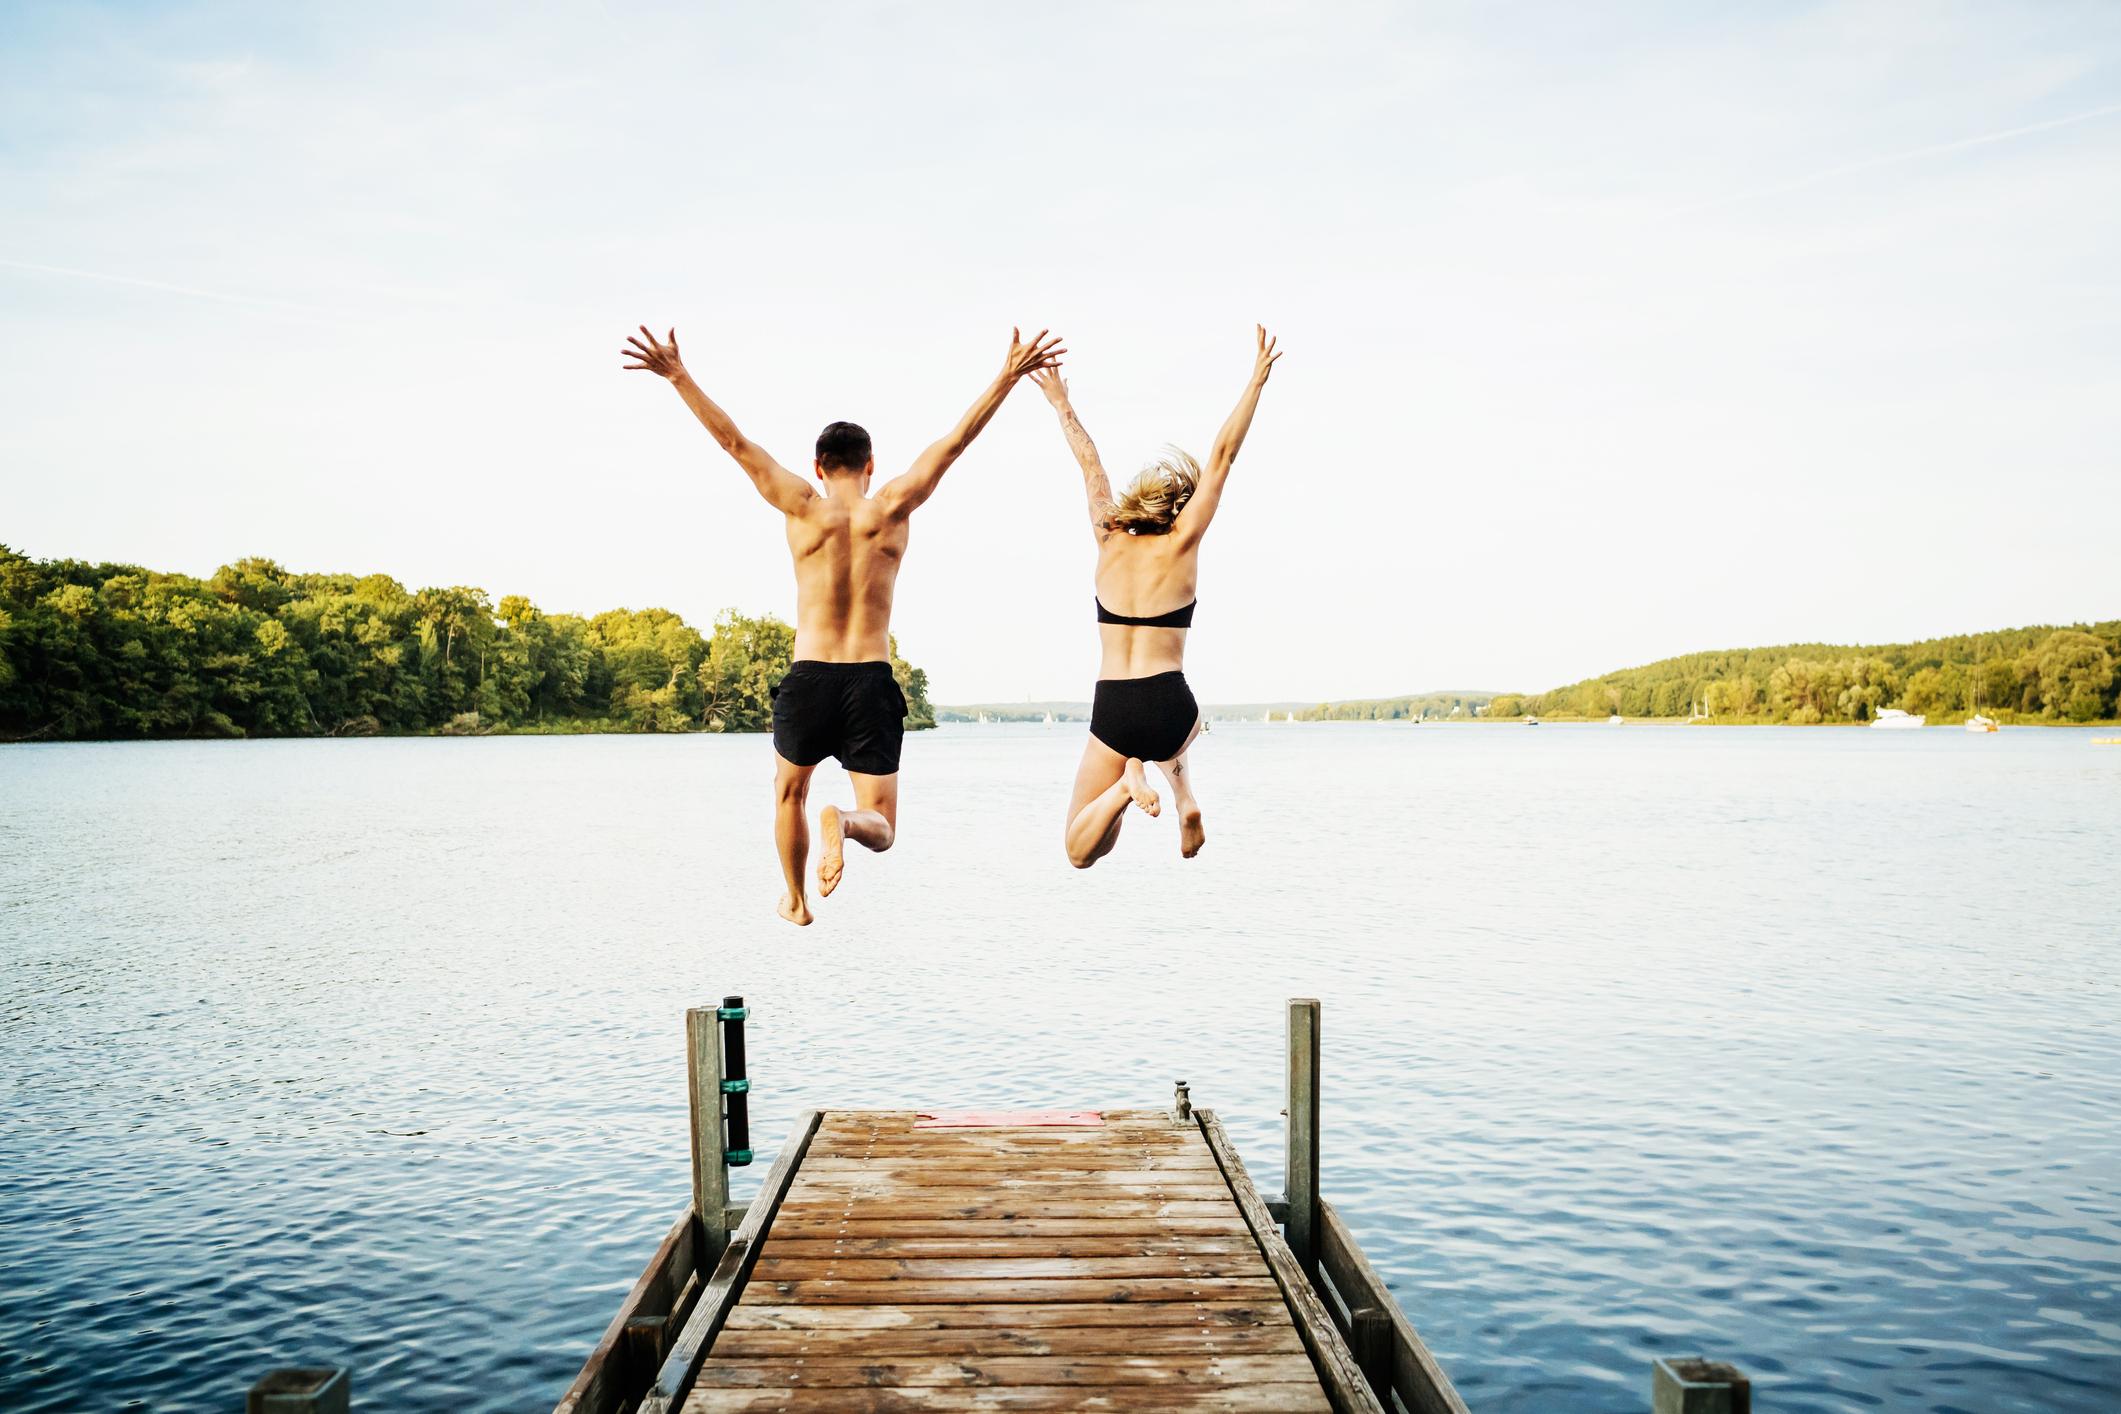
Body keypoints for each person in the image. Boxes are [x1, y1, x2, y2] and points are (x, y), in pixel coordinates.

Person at [623, 323, 1064, 924]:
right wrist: (1007, 377)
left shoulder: (801, 504)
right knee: (882, 827)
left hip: (809, 678)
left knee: (789, 793)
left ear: (818, 465)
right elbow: (955, 443)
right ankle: (846, 823)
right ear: (870, 465)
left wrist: (678, 376)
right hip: (869, 680)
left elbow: (734, 442)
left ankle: (798, 899)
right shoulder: (892, 506)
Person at [1029, 325, 1282, 869]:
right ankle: (1184, 795)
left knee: (1082, 848)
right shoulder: (1183, 543)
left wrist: (1060, 403)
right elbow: (1222, 456)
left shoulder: (1107, 538)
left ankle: (1125, 787)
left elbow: (1090, 463)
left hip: (1114, 706)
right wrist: (1256, 381)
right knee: (1187, 725)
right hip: (1172, 703)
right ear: (1176, 511)